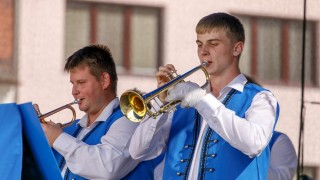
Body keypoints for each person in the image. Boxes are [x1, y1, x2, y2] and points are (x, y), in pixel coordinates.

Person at [129, 12, 280, 179]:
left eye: (213, 44)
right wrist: (160, 102)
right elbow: (138, 152)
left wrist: (199, 98)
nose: (203, 52)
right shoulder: (183, 102)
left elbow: (254, 143)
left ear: (237, 48)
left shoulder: (261, 98)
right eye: (199, 44)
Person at [41, 44, 153, 180]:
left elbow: (107, 168)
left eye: (81, 82)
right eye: (73, 83)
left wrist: (58, 139)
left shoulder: (129, 119)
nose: (74, 91)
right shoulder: (70, 129)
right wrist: (35, 137)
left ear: (104, 81)